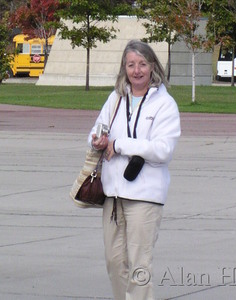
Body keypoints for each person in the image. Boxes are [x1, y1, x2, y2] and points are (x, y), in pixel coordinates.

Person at [90, 40, 181, 300]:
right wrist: (98, 139)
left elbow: (163, 150)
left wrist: (120, 145)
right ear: (124, 68)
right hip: (114, 196)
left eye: (142, 64)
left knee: (139, 266)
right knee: (114, 262)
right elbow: (96, 131)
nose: (137, 70)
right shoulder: (116, 98)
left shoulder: (164, 104)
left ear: (153, 67)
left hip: (145, 197)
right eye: (131, 65)